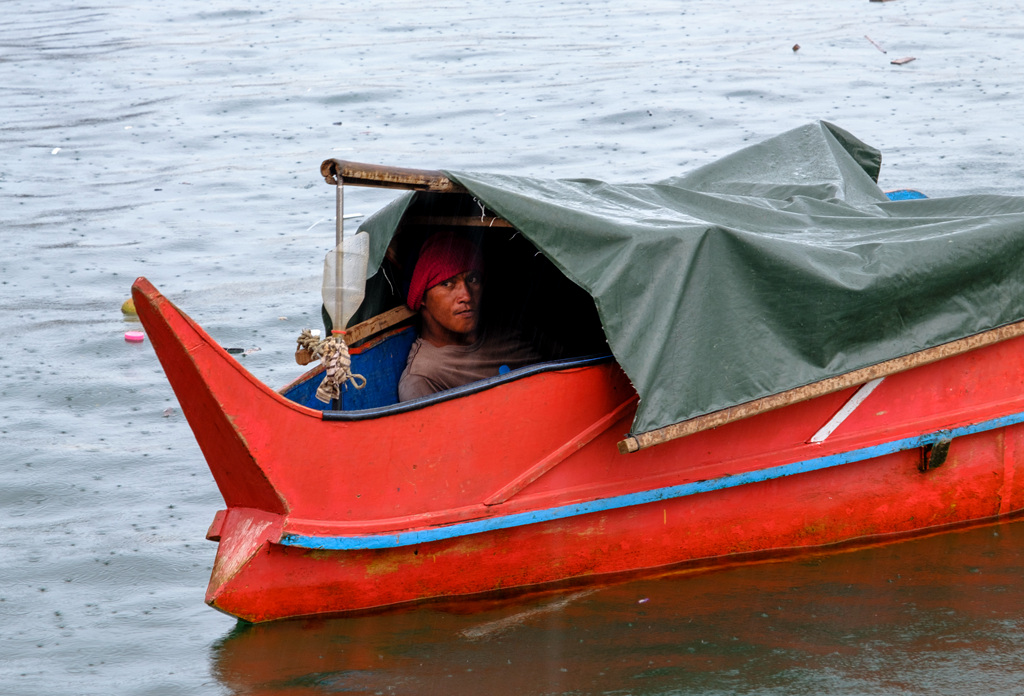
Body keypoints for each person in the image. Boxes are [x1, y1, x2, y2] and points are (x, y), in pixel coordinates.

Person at [397, 232, 543, 401]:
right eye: (447, 283)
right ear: (422, 297)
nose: (466, 296)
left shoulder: (511, 332)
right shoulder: (424, 378)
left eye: (473, 279)